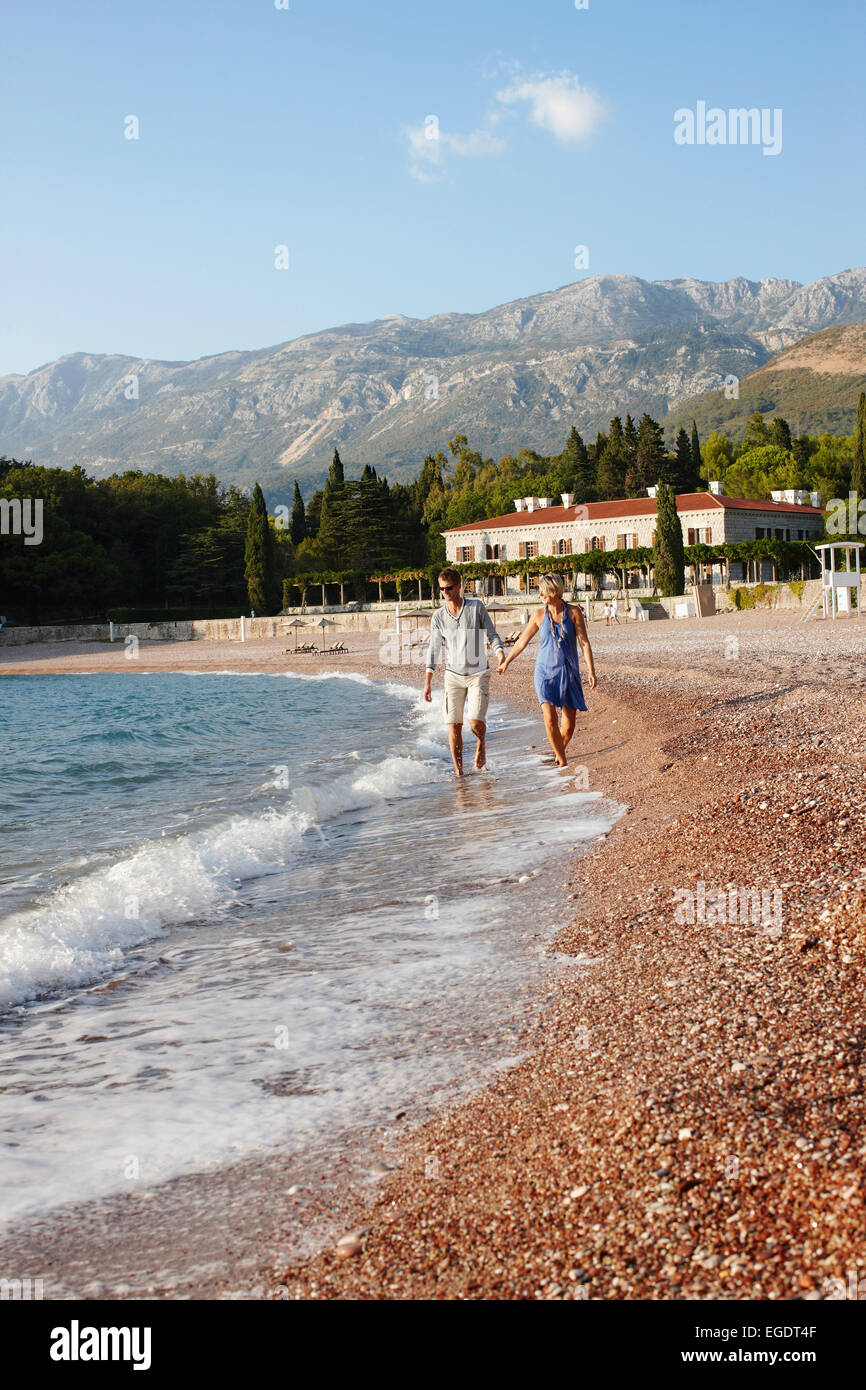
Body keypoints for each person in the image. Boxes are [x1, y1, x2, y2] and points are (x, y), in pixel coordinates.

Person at [498, 573, 597, 767]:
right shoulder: (538, 615)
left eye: (543, 590)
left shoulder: (574, 612)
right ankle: (562, 760)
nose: (540, 593)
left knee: (568, 728)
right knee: (550, 718)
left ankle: (557, 751)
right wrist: (506, 662)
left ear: (554, 591)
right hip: (544, 674)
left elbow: (584, 643)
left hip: (569, 673)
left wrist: (591, 671)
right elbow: (522, 642)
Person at [424, 569, 505, 776]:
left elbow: (492, 634)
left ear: (459, 586)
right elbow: (433, 649)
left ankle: (481, 744)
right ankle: (459, 772)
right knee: (454, 726)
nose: (445, 592)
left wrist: (500, 653)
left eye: (449, 588)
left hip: (478, 674)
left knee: (475, 721)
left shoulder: (476, 607)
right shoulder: (438, 617)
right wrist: (428, 682)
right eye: (441, 589)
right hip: (453, 676)